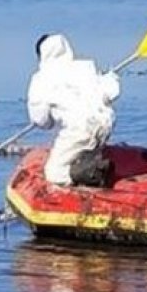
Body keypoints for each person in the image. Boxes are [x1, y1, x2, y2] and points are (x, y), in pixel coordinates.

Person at [27, 34, 121, 187]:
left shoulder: (41, 80)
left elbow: (41, 121)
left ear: (41, 55)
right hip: (105, 124)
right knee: (83, 145)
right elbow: (112, 92)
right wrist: (110, 77)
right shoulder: (86, 67)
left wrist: (51, 117)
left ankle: (91, 173)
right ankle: (88, 160)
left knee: (54, 173)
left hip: (79, 129)